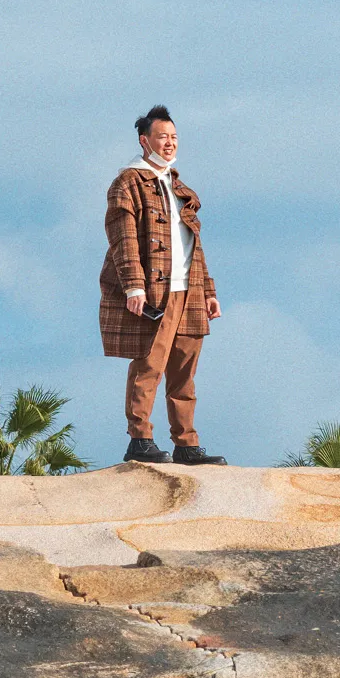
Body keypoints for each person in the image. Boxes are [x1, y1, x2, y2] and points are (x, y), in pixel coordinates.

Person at [99, 106, 229, 465]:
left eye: (173, 137)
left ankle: (186, 444)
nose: (169, 143)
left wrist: (209, 291)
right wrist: (134, 287)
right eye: (162, 137)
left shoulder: (179, 186)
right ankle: (140, 439)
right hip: (156, 291)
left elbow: (194, 245)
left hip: (190, 290)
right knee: (149, 364)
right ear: (145, 141)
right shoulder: (128, 182)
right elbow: (122, 238)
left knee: (185, 370)